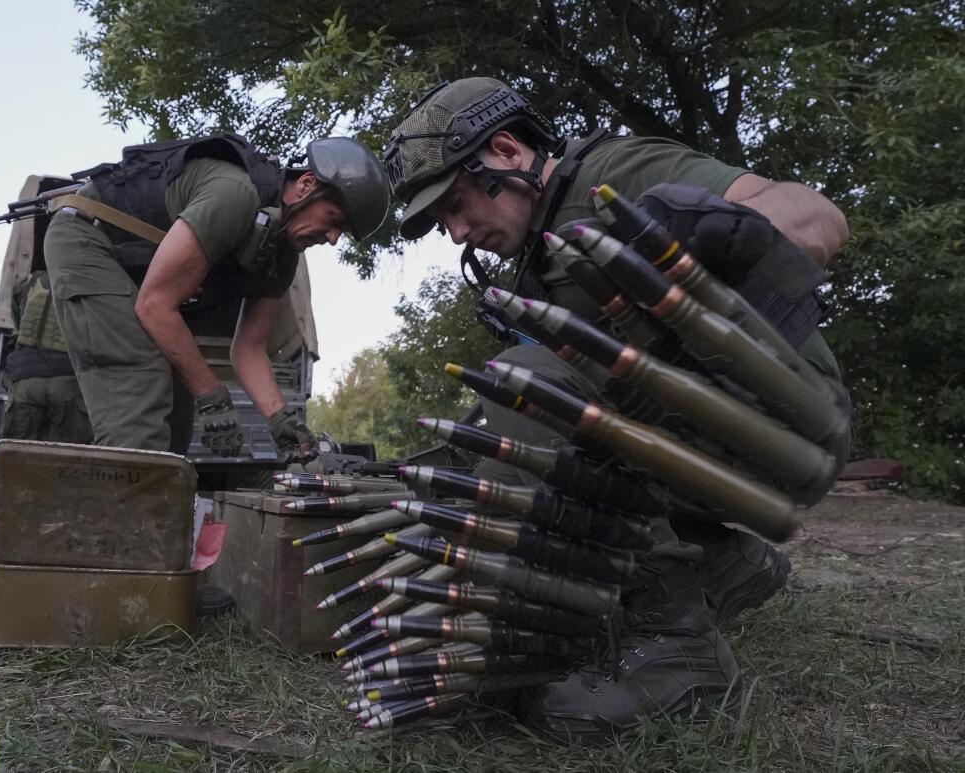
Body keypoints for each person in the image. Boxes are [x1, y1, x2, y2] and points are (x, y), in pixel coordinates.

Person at [384, 77, 851, 742]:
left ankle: (677, 635)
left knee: (522, 381)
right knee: (502, 416)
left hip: (787, 422)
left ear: (508, 151)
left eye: (456, 202)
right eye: (442, 221)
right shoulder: (532, 261)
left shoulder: (615, 172)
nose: (456, 230)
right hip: (702, 442)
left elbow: (818, 216)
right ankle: (715, 559)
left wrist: (703, 247)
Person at [44, 134, 388, 461]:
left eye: (342, 232)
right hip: (88, 238)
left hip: (137, 272)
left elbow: (249, 348)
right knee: (141, 387)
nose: (332, 239)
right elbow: (155, 306)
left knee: (176, 409)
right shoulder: (234, 194)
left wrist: (280, 419)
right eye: (334, 220)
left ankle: (152, 514)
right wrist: (213, 397)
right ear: (306, 185)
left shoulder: (283, 255)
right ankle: (115, 518)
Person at [0, 271, 93, 445]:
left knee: (18, 455)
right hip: (67, 378)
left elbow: (16, 319)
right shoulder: (89, 281)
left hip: (25, 377)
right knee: (67, 457)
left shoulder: (29, 281)